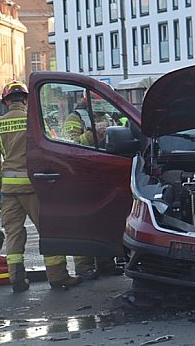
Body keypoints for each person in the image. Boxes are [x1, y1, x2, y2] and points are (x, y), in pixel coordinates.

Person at [0, 80, 83, 292]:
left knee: (13, 234)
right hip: (35, 186)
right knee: (48, 230)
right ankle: (58, 277)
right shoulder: (35, 122)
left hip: (10, 191)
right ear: (26, 100)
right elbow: (51, 149)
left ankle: (17, 279)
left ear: (6, 102)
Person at [63, 95, 122, 279]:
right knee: (83, 222)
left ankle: (106, 262)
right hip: (82, 175)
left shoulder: (108, 117)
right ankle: (84, 267)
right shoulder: (75, 118)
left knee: (105, 220)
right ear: (87, 101)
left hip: (104, 174)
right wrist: (92, 134)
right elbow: (70, 145)